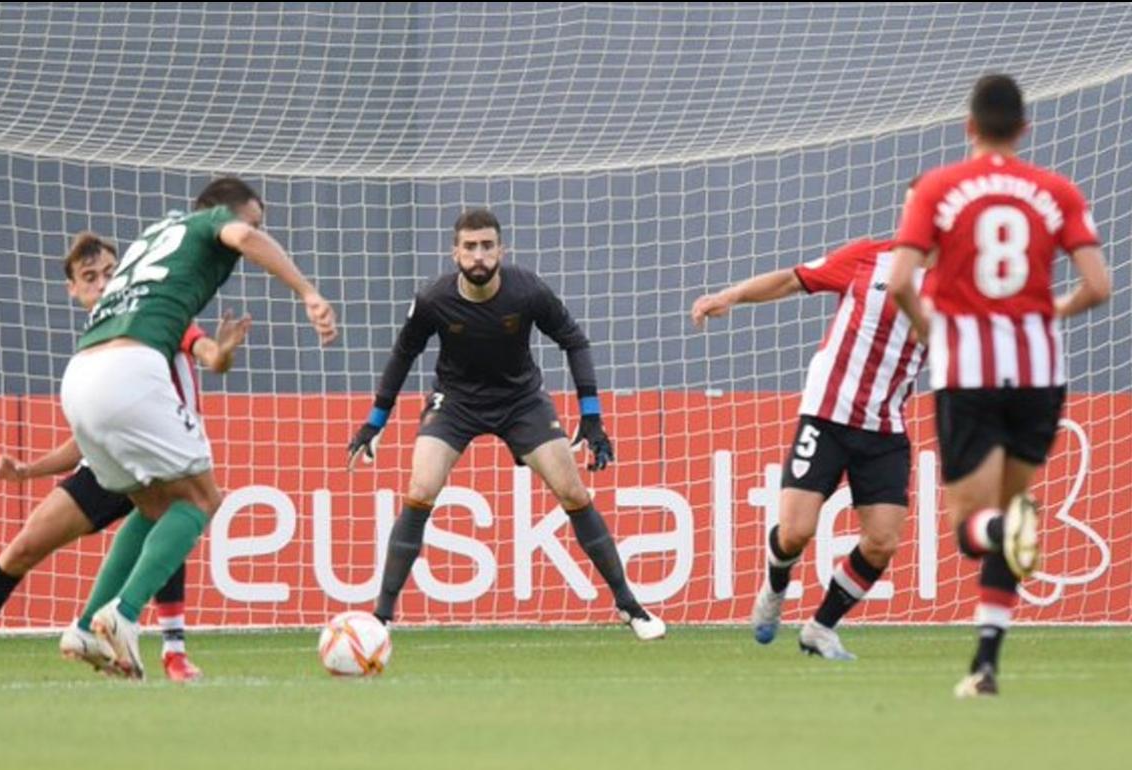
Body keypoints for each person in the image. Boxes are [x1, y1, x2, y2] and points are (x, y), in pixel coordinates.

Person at [0, 233, 249, 684]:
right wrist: (29, 470)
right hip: (108, 462)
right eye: (90, 276)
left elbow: (199, 344)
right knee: (24, 548)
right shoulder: (99, 341)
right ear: (73, 289)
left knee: (170, 512)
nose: (102, 283)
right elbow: (88, 438)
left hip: (159, 451)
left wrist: (217, 351)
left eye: (110, 273)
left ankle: (173, 652)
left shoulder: (153, 314)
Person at [888, 74, 1110, 697]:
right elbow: (1098, 285)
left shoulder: (939, 187)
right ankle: (985, 663)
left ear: (969, 127)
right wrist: (1051, 312)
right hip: (1040, 372)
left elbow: (901, 280)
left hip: (969, 370)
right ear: (1023, 129)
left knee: (975, 525)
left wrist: (928, 328)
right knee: (1012, 510)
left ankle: (997, 537)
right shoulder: (1057, 191)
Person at [347, 208, 665, 640]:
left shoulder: (528, 291)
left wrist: (591, 417)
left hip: (521, 401)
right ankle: (381, 619)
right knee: (420, 490)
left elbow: (574, 340)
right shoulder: (434, 299)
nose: (479, 255)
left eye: (487, 246)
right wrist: (375, 422)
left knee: (573, 492)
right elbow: (404, 354)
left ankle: (630, 607)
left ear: (502, 250)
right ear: (455, 253)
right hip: (455, 402)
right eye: (470, 247)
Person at [63, 177, 336, 678]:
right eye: (256, 220)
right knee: (204, 499)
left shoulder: (155, 234)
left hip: (81, 373)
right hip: (132, 369)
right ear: (226, 211)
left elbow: (199, 344)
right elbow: (244, 238)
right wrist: (308, 292)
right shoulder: (212, 221)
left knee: (154, 504)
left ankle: (84, 626)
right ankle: (123, 615)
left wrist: (218, 351)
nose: (257, 231)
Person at [692, 204, 928, 659]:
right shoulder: (867, 257)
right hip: (826, 416)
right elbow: (792, 280)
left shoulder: (957, 288)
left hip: (884, 429)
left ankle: (820, 628)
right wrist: (732, 295)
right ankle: (774, 588)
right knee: (795, 532)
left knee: (882, 542)